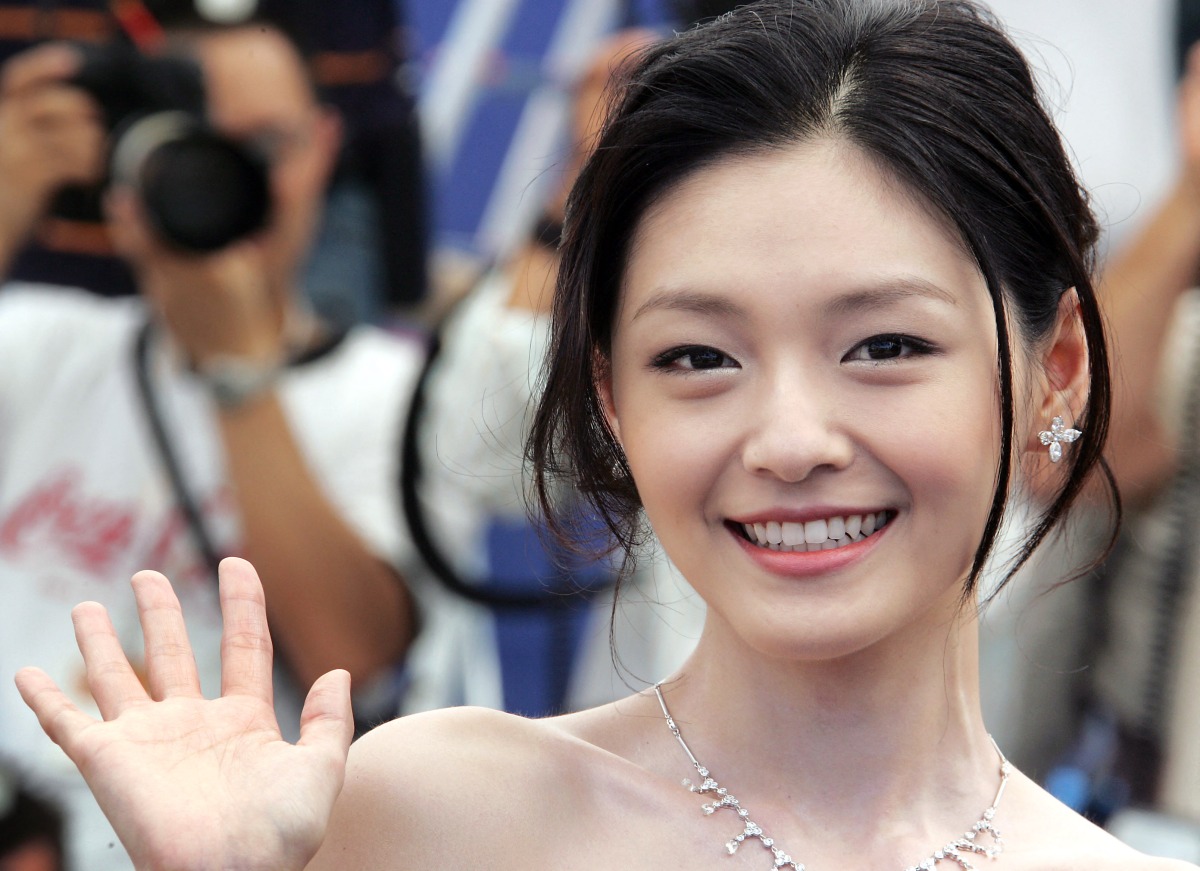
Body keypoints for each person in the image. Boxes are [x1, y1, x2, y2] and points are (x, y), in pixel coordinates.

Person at [13, 0, 1199, 867]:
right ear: (612, 401)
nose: (789, 438)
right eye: (698, 357)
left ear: (1058, 372)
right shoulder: (428, 812)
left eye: (884, 346)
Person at [0, 21, 420, 871]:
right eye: (200, 148)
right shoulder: (40, 341)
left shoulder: (392, 390)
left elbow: (356, 656)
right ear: (127, 174)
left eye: (268, 143)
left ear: (326, 145)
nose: (236, 181)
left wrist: (239, 371)